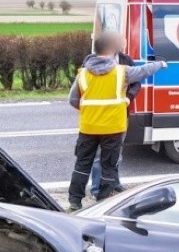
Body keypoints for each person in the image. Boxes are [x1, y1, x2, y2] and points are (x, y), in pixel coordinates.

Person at [67, 36, 166, 211]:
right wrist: (160, 64)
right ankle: (104, 202)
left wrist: (90, 111)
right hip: (113, 127)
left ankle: (74, 202)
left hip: (88, 127)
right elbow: (144, 71)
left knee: (82, 164)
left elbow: (73, 100)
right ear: (112, 50)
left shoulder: (83, 73)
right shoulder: (122, 71)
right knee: (109, 166)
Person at [86, 34, 141, 199]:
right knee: (98, 155)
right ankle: (96, 189)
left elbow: (136, 83)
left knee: (117, 153)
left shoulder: (125, 60)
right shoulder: (91, 60)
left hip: (119, 114)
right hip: (98, 115)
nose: (124, 43)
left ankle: (114, 183)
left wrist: (129, 97)